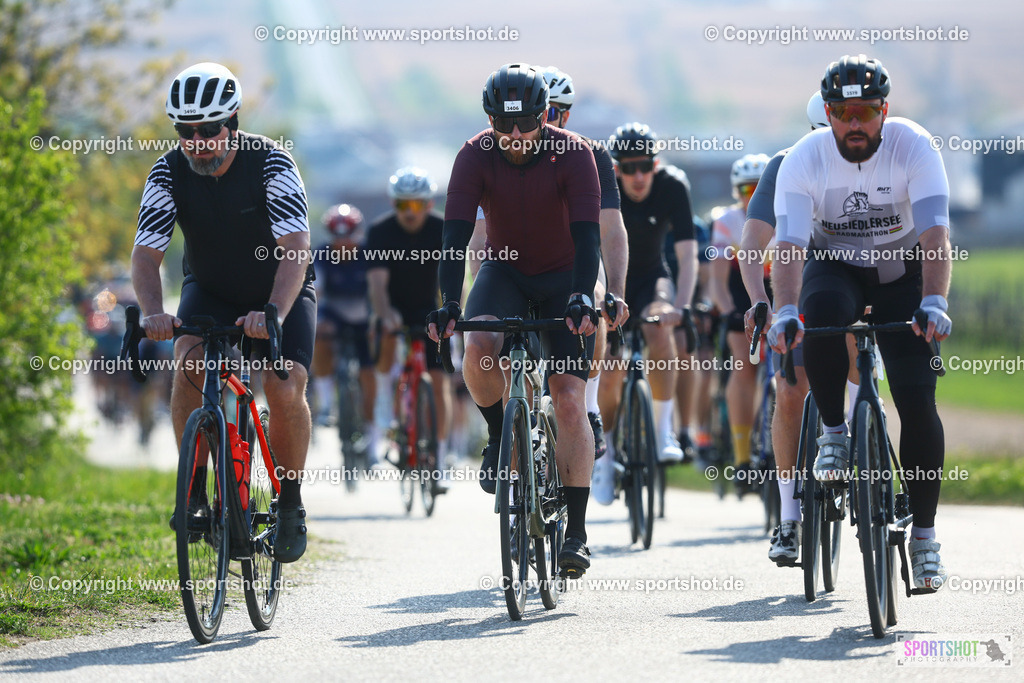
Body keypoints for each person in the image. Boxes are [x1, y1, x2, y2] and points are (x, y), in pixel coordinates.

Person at [769, 55, 951, 590]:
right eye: (842, 113)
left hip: (902, 275)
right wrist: (784, 310)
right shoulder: (805, 158)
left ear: (884, 111)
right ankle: (833, 432)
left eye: (866, 112)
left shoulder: (914, 146)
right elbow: (789, 245)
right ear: (826, 114)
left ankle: (924, 539)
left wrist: (934, 301)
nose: (854, 123)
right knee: (820, 315)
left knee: (917, 401)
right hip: (836, 268)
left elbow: (935, 236)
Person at [133, 62, 313, 563]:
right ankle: (194, 488)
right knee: (189, 363)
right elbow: (145, 257)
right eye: (186, 131)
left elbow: (295, 249)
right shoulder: (167, 172)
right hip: (210, 289)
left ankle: (290, 503)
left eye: (209, 129)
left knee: (283, 385)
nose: (198, 142)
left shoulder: (271, 163)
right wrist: (153, 312)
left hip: (279, 288)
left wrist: (273, 312)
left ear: (232, 123)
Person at [429, 63, 601, 576]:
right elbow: (454, 236)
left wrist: (581, 296)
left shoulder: (575, 154)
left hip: (564, 276)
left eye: (526, 122)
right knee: (478, 345)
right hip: (504, 272)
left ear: (545, 116)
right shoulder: (474, 154)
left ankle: (577, 532)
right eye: (504, 124)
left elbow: (588, 236)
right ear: (490, 121)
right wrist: (448, 303)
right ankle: (499, 433)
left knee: (568, 398)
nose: (516, 135)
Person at [466, 65, 631, 506]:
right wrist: (481, 298)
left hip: (573, 267)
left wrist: (615, 290)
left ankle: (588, 406)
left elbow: (610, 230)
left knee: (595, 301)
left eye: (551, 113)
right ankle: (509, 442)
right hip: (512, 270)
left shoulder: (588, 155)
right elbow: (479, 238)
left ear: (561, 115)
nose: (525, 129)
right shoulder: (494, 155)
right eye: (511, 120)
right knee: (491, 345)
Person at [739, 91, 860, 564]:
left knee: (858, 348)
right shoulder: (784, 165)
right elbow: (753, 241)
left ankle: (861, 436)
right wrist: (760, 300)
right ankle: (789, 518)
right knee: (790, 389)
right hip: (801, 284)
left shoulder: (870, 165)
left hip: (858, 280)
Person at [596, 123, 698, 477]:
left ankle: (662, 428)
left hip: (653, 278)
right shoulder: (602, 189)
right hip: (611, 281)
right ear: (616, 169)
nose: (638, 177)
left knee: (659, 327)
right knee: (610, 369)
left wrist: (681, 307)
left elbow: (687, 255)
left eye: (645, 166)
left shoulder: (673, 186)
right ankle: (606, 454)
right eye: (629, 168)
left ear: (656, 164)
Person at [366, 167, 451, 493]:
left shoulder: (442, 229)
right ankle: (385, 404)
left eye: (417, 204)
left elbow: (452, 279)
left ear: (429, 204)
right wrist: (385, 314)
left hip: (430, 309)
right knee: (384, 335)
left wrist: (452, 313)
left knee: (439, 382)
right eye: (403, 205)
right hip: (393, 306)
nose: (410, 212)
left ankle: (439, 460)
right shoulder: (380, 231)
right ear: (394, 204)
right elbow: (377, 285)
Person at [707, 153, 771, 495]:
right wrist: (729, 310)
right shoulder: (727, 220)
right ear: (737, 192)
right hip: (738, 295)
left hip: (777, 290)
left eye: (761, 188)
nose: (754, 196)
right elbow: (717, 281)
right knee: (743, 366)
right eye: (747, 190)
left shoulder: (785, 215)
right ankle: (744, 458)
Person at [311, 204, 378, 459]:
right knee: (320, 336)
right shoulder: (321, 255)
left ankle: (373, 442)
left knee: (369, 374)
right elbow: (316, 292)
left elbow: (380, 290)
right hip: (334, 316)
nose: (343, 242)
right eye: (337, 236)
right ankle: (327, 402)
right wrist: (318, 320)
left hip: (365, 317)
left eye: (348, 236)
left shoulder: (370, 254)